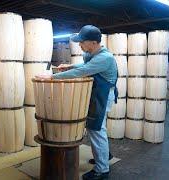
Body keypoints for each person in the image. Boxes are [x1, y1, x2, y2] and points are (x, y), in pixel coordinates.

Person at [36, 25, 118, 180]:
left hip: (103, 95)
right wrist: (70, 65)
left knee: (97, 129)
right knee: (97, 128)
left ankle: (102, 170)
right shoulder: (95, 54)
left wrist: (51, 77)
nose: (79, 44)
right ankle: (104, 156)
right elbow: (84, 66)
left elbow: (82, 71)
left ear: (93, 42)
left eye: (82, 41)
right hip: (97, 94)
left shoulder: (105, 58)